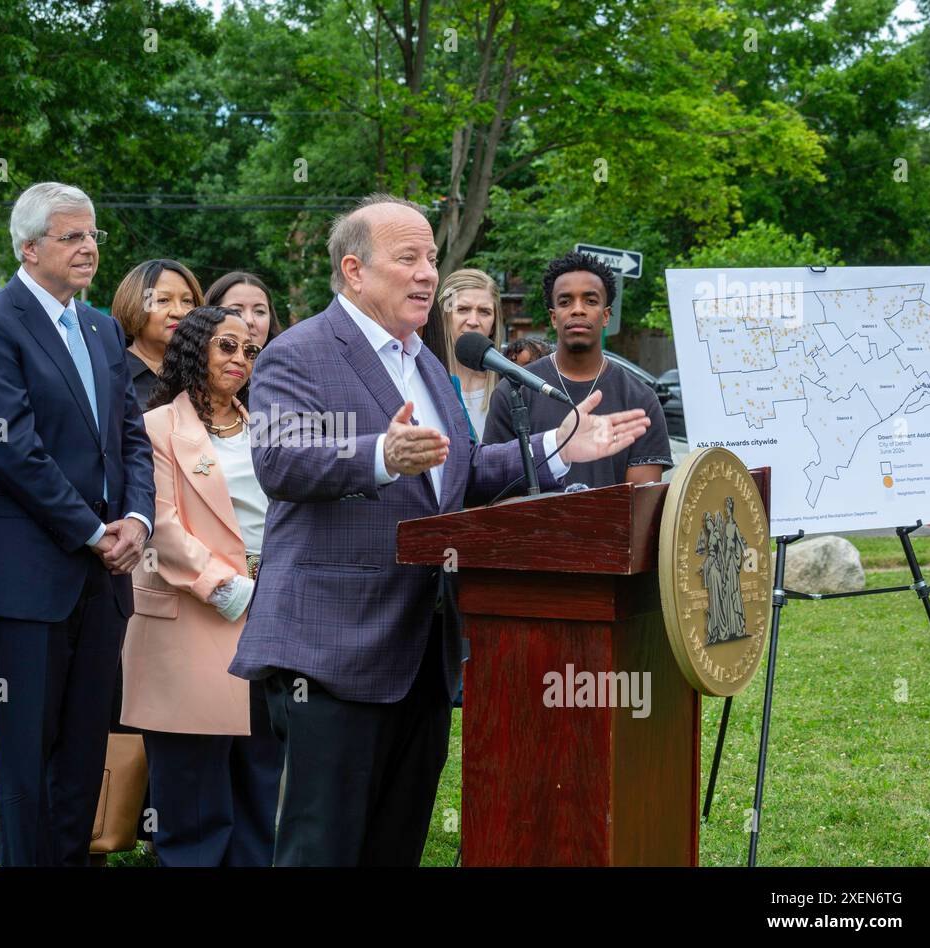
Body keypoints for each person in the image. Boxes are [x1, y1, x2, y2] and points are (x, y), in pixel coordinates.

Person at [227, 194, 652, 866]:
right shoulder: (300, 351)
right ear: (355, 270)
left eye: (431, 257)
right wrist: (377, 454)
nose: (428, 273)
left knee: (393, 849)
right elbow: (281, 457)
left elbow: (458, 477)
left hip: (421, 653)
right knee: (321, 850)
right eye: (409, 258)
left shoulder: (425, 361)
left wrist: (558, 448)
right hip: (332, 651)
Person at [0, 182, 156, 867]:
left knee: (83, 749)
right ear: (29, 247)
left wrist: (134, 519)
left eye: (93, 234)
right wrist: (92, 531)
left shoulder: (100, 327)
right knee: (24, 754)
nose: (89, 247)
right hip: (26, 578)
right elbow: (13, 449)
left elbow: (132, 435)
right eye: (72, 236)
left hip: (105, 581)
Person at [122, 305, 284, 866]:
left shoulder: (268, 426)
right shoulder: (159, 427)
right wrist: (234, 588)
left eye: (249, 350)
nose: (241, 358)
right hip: (195, 615)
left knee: (260, 786)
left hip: (272, 614)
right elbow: (161, 527)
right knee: (192, 795)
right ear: (195, 350)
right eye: (227, 347)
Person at [482, 251, 672, 486]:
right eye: (565, 301)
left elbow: (641, 504)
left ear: (605, 316)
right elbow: (491, 485)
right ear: (553, 317)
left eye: (590, 301)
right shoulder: (513, 392)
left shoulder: (641, 400)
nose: (578, 309)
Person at [111, 258, 203, 410]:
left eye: (187, 301)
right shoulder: (111, 374)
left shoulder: (204, 374)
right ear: (134, 304)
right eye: (163, 300)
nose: (179, 312)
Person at [438, 268, 505, 439]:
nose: (473, 321)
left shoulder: (507, 384)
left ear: (494, 324)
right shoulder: (421, 378)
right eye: (462, 309)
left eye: (484, 311)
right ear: (444, 317)